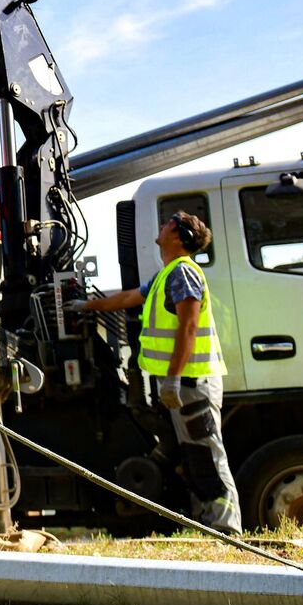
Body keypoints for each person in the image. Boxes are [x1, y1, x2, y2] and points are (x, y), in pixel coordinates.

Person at [75, 211, 241, 533]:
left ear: (178, 237)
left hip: (192, 382)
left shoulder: (182, 273)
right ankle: (210, 524)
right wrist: (85, 306)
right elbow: (126, 298)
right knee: (195, 457)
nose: (162, 225)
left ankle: (228, 528)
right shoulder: (166, 275)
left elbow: (188, 327)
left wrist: (174, 378)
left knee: (207, 455)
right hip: (185, 383)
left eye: (168, 223)